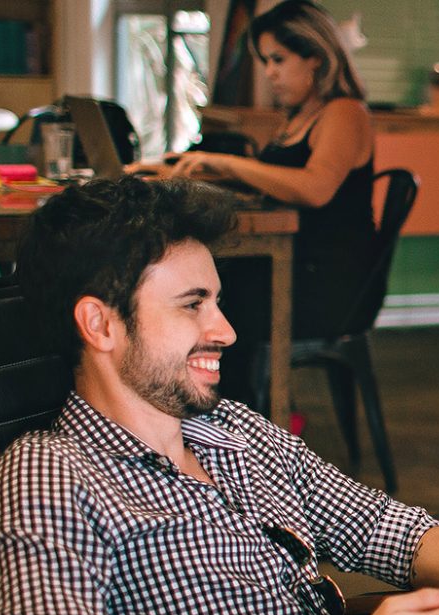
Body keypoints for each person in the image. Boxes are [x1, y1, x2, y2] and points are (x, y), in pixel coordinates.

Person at [0, 176, 439, 615]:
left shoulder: (239, 434)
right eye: (193, 306)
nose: (227, 331)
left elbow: (382, 528)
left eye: (217, 302)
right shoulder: (48, 474)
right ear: (101, 324)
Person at [129, 0, 380, 405]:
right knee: (202, 292)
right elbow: (275, 180)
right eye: (265, 61)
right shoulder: (299, 116)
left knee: (211, 302)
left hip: (327, 283)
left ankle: (230, 422)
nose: (270, 73)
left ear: (315, 57)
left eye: (278, 59)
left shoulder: (345, 113)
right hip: (296, 264)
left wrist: (225, 162)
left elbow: (315, 188)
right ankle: (206, 415)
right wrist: (183, 167)